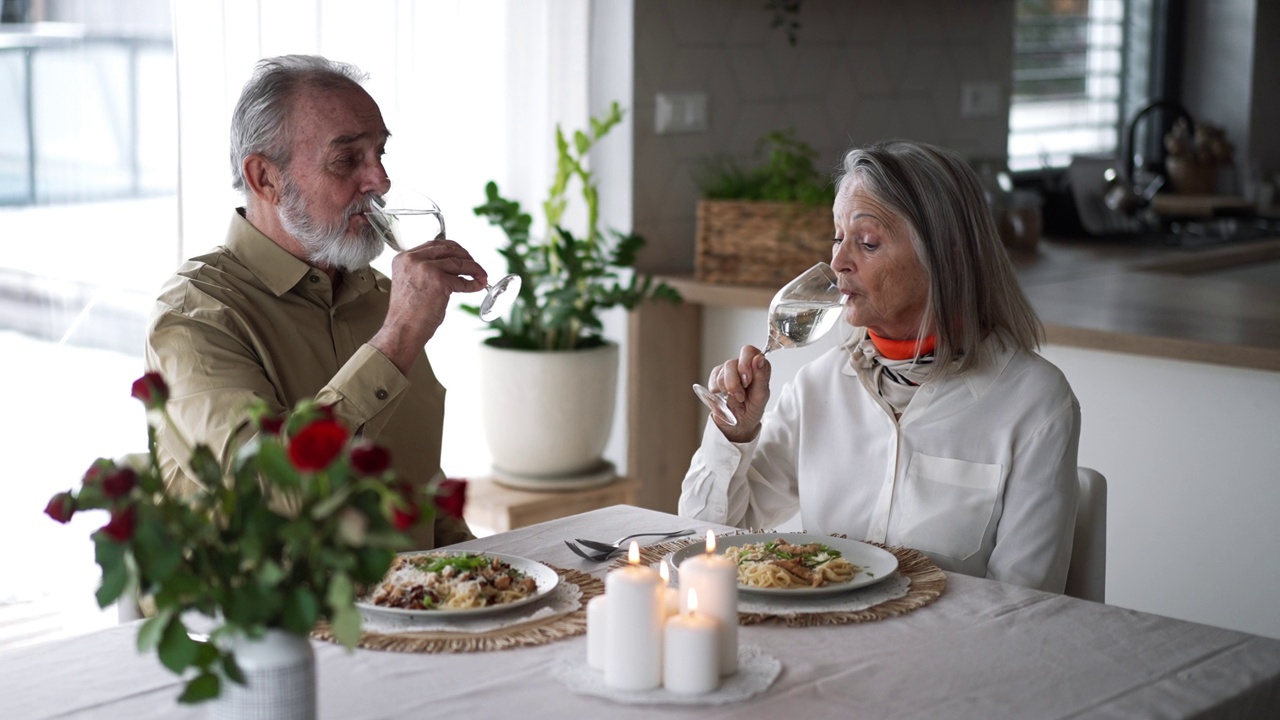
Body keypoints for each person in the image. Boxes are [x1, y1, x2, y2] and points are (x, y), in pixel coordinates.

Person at [679, 140, 1081, 593]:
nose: (837, 262)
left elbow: (1024, 604)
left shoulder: (1035, 403)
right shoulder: (817, 387)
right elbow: (703, 537)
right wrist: (735, 434)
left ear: (946, 255)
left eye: (867, 242)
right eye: (837, 237)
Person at [145, 55, 484, 548]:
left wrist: (482, 571)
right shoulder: (194, 315)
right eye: (348, 159)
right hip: (276, 620)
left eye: (380, 153)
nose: (381, 180)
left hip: (410, 609)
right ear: (265, 178)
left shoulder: (378, 294)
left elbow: (416, 485)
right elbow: (266, 491)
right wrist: (398, 338)